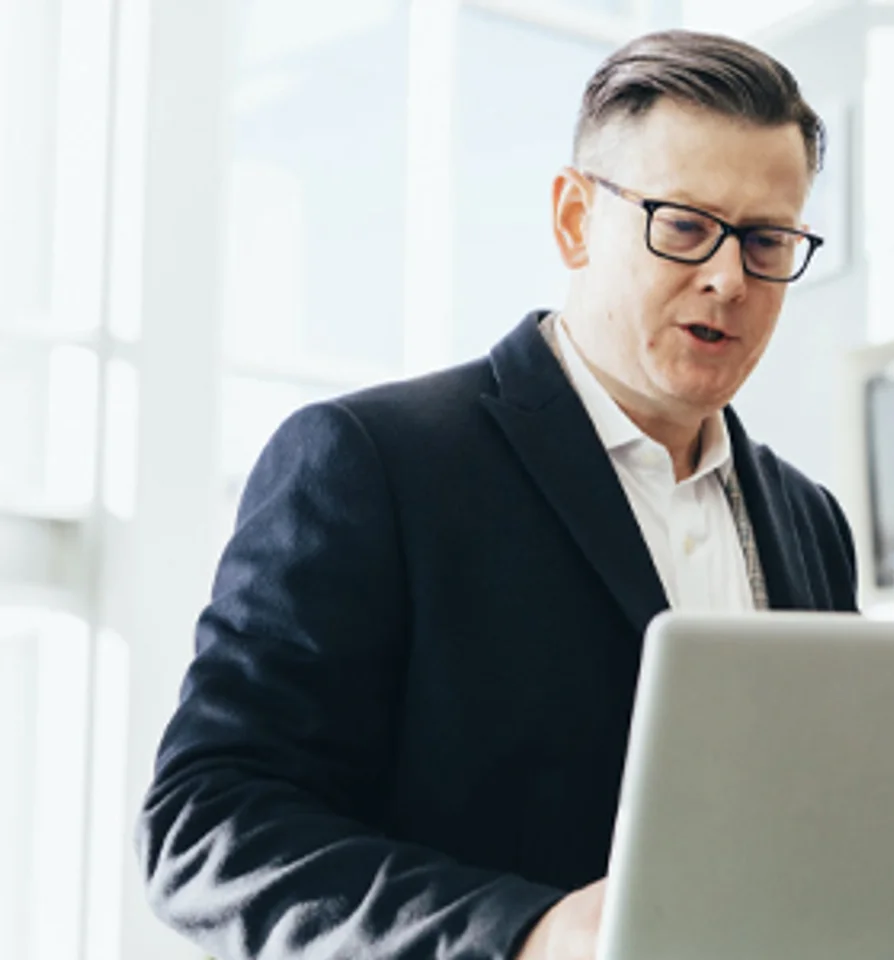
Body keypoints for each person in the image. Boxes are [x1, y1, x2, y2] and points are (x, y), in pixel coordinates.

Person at [138, 30, 857, 960]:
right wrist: (532, 934)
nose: (728, 278)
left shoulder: (811, 522)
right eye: (683, 225)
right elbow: (208, 831)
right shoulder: (370, 464)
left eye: (766, 240)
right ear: (572, 219)